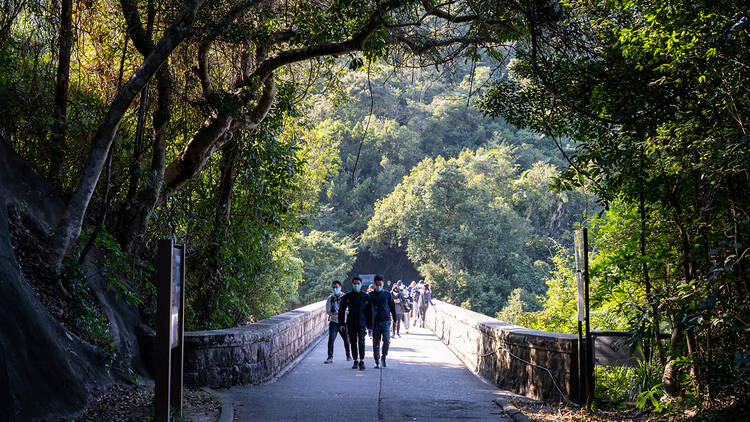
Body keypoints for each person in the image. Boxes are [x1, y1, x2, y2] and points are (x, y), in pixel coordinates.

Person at [338, 276, 373, 370]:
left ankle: (362, 360)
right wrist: (341, 323)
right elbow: (341, 310)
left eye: (358, 283)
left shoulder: (366, 296)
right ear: (352, 284)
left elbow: (370, 311)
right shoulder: (347, 296)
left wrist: (370, 325)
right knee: (353, 342)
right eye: (355, 284)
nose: (356, 285)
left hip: (362, 323)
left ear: (361, 285)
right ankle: (355, 360)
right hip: (351, 322)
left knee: (361, 341)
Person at [368, 275, 397, 368]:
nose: (379, 286)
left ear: (383, 284)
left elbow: (392, 307)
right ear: (374, 284)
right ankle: (376, 360)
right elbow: (367, 310)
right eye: (377, 284)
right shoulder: (370, 295)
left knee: (387, 340)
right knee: (376, 343)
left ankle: (383, 357)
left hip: (386, 321)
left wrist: (395, 319)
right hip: (375, 322)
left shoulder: (387, 294)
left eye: (380, 284)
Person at [324, 280, 351, 364]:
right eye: (333, 287)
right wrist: (332, 312)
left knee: (346, 339)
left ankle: (348, 355)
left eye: (336, 287)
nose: (335, 289)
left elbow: (348, 309)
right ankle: (330, 357)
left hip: (343, 322)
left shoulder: (345, 297)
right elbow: (327, 310)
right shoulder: (330, 298)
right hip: (333, 322)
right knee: (331, 339)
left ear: (340, 287)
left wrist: (339, 312)